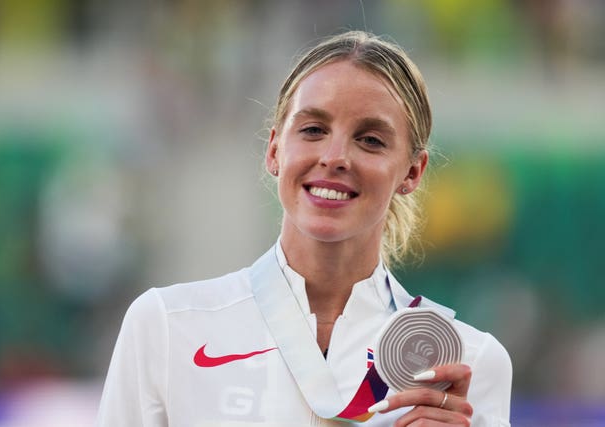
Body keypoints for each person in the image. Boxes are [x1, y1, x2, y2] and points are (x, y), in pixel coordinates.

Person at [97, 30, 512, 426]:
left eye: (370, 140)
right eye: (313, 130)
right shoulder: (169, 326)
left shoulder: (463, 363)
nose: (335, 157)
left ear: (412, 172)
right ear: (275, 150)